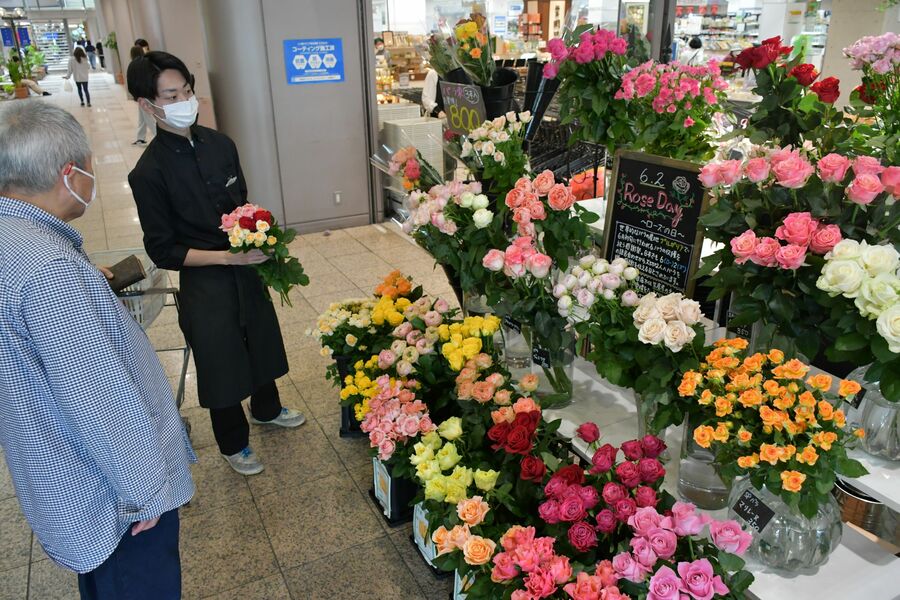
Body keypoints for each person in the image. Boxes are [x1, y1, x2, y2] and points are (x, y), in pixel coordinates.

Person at [0, 101, 195, 600]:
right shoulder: (49, 270)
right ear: (69, 174)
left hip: (62, 482)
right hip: (114, 506)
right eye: (88, 165)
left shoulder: (14, 241)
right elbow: (98, 399)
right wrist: (147, 491)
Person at [127, 51, 305, 476]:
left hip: (245, 262)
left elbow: (241, 202)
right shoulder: (148, 172)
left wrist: (257, 235)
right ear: (147, 105)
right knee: (218, 353)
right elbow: (163, 250)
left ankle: (267, 408)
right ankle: (233, 442)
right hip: (203, 273)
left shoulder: (220, 145)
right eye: (171, 96)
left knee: (259, 334)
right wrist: (224, 257)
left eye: (187, 91)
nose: (184, 101)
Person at [131, 43, 155, 145]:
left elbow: (133, 81)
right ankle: (140, 138)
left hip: (142, 94)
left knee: (147, 117)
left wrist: (135, 95)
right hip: (147, 92)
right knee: (142, 117)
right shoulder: (147, 62)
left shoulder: (134, 65)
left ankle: (159, 136)